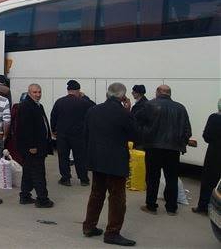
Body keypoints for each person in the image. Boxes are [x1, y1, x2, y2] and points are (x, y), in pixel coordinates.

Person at [82, 82, 136, 246]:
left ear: (108, 94)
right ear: (123, 96)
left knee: (96, 194)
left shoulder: (93, 110)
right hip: (116, 162)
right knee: (117, 198)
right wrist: (128, 110)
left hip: (97, 160)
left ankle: (89, 226)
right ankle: (112, 233)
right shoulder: (123, 113)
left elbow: (86, 134)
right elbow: (134, 135)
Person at [138, 85, 192, 216]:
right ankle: (171, 208)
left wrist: (143, 139)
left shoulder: (148, 105)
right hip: (173, 149)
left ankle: (151, 206)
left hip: (153, 147)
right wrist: (181, 142)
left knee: (152, 177)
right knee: (171, 178)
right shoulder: (180, 108)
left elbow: (137, 122)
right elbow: (187, 130)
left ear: (157, 92)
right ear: (170, 94)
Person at [50, 80, 95, 186]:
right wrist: (84, 97)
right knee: (80, 157)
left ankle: (66, 178)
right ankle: (84, 179)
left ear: (68, 90)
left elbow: (53, 116)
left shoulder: (59, 102)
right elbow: (94, 107)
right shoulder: (83, 102)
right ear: (78, 90)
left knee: (63, 157)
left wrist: (53, 130)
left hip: (62, 134)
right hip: (79, 135)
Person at [16, 83, 54, 208]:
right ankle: (42, 199)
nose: (38, 95)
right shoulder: (26, 106)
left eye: (39, 92)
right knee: (38, 172)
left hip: (40, 145)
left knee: (28, 171)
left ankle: (25, 195)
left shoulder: (38, 105)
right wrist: (31, 145)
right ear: (29, 93)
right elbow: (26, 128)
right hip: (33, 147)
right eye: (35, 92)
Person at [192, 100, 221, 215]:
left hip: (214, 153)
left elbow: (207, 136)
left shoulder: (214, 118)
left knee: (209, 180)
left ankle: (203, 206)